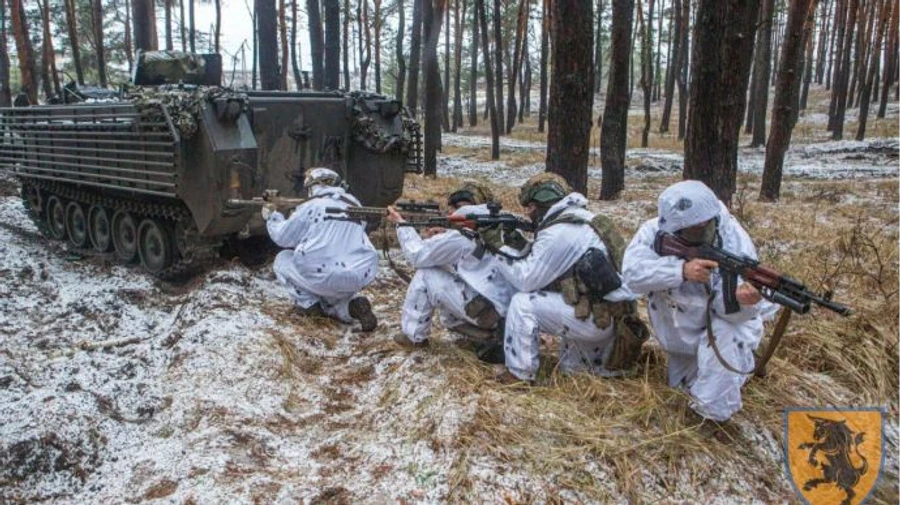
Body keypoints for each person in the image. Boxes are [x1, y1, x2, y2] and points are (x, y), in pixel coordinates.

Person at [622, 180, 776, 422]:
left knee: (723, 352)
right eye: (693, 230)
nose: (701, 232)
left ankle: (712, 420)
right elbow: (631, 275)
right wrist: (679, 271)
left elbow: (731, 315)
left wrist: (743, 300)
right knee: (680, 388)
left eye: (705, 227)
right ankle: (742, 365)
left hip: (722, 330)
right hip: (679, 340)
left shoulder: (734, 241)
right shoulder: (654, 233)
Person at [485, 173, 637, 384]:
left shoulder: (560, 231)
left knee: (523, 303)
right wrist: (518, 243)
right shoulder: (581, 220)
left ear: (543, 201)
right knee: (573, 374)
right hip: (610, 317)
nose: (529, 213)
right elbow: (549, 259)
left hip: (596, 320)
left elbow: (527, 280)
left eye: (531, 206)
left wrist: (496, 247)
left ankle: (519, 374)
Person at [387, 181, 515, 362]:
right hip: (506, 309)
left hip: (486, 310)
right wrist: (445, 235)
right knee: (448, 309)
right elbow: (473, 261)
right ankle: (486, 337)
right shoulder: (500, 227)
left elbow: (417, 255)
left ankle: (413, 337)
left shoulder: (461, 237)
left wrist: (401, 224)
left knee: (426, 274)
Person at [264, 167, 379, 331]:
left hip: (320, 273)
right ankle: (351, 309)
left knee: (282, 259)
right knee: (335, 297)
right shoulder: (355, 204)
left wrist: (272, 217)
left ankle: (309, 306)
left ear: (313, 185)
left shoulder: (311, 206)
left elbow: (283, 237)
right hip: (355, 275)